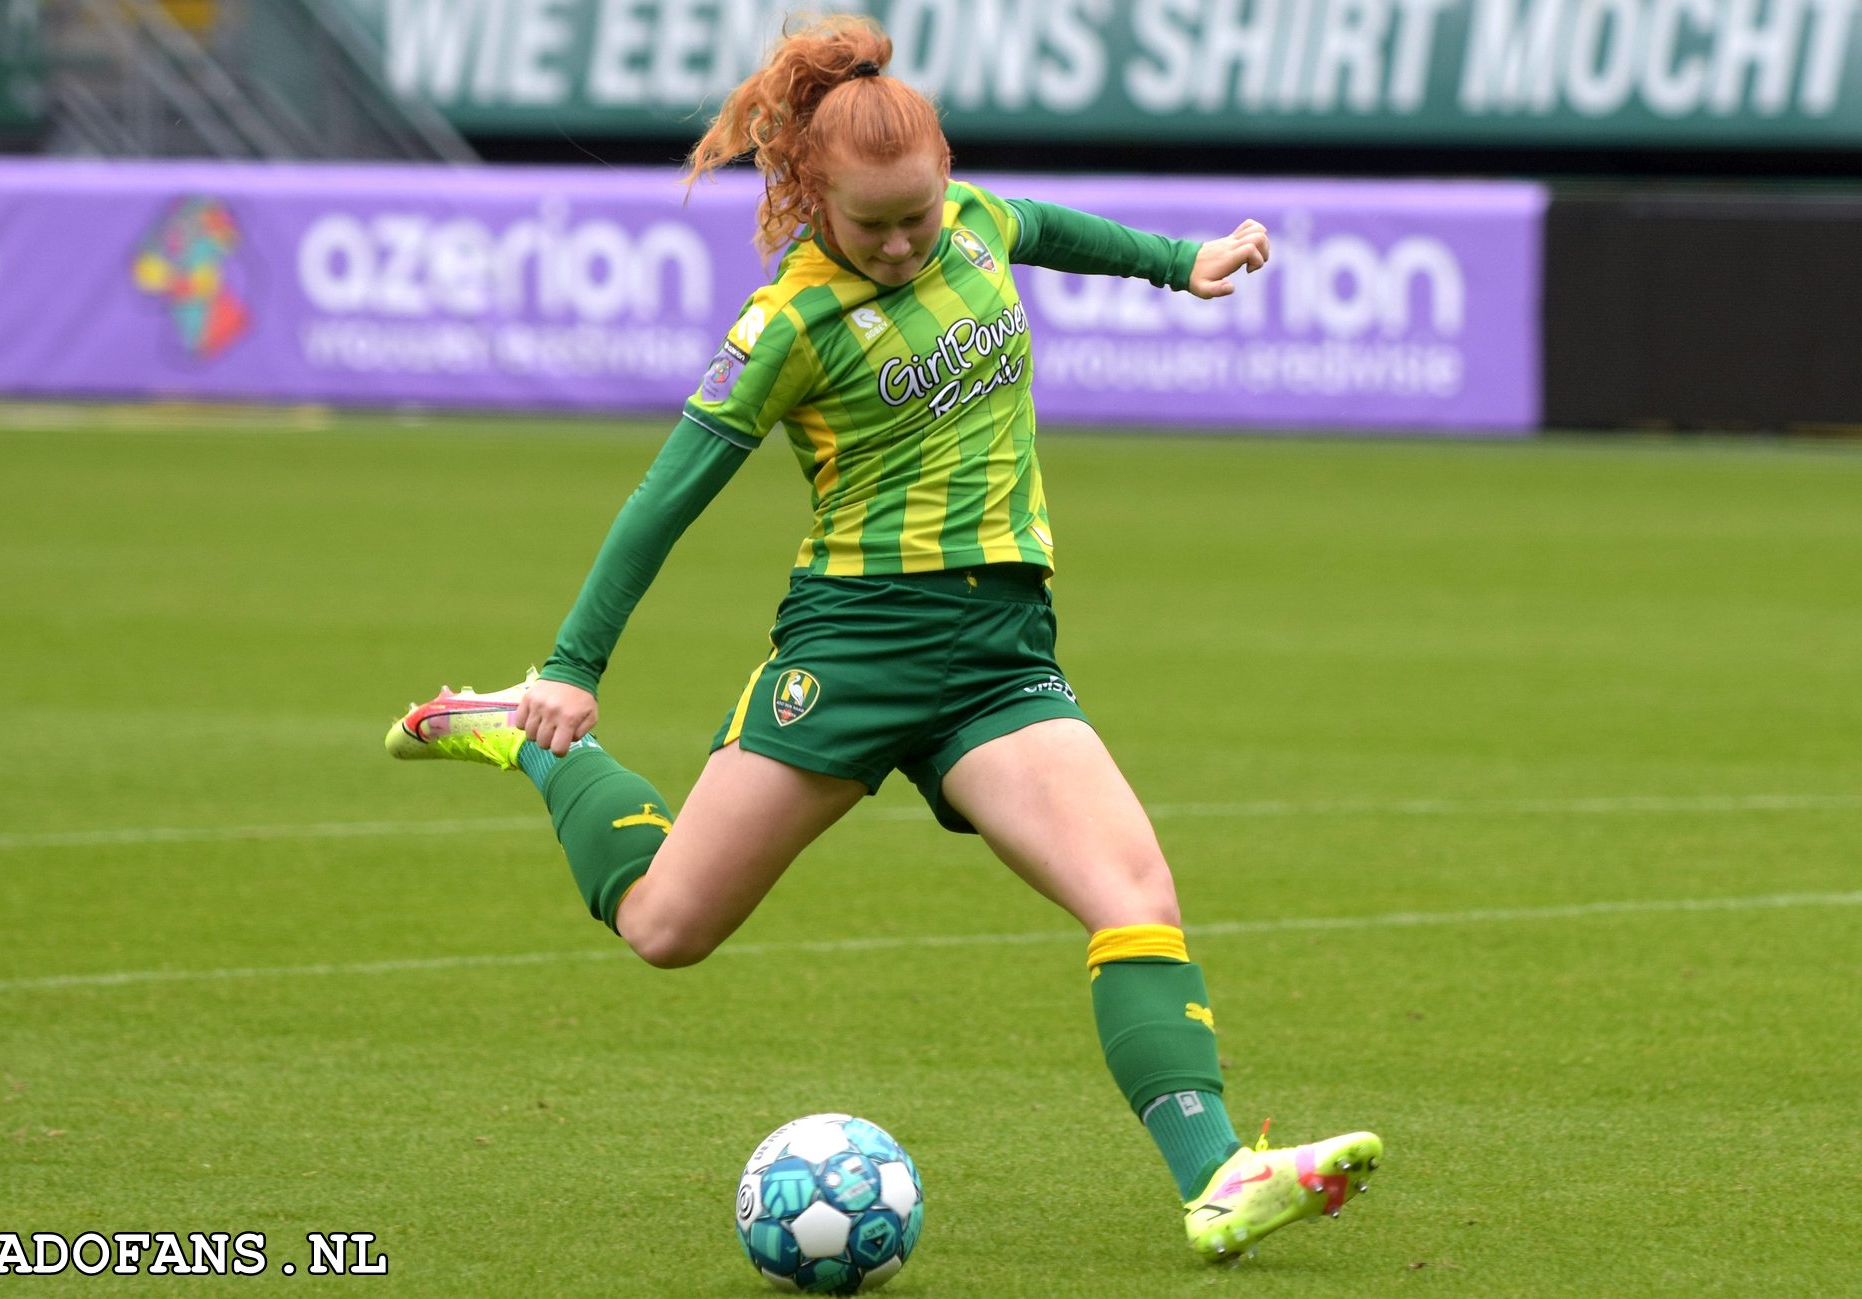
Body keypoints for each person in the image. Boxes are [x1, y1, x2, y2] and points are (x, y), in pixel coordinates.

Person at [385, 13, 1379, 1263]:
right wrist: (572, 673)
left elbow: (1052, 230)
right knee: (665, 928)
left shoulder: (972, 223)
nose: (907, 242)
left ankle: (1218, 1174)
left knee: (1132, 892)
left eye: (922, 213)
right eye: (875, 226)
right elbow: (663, 499)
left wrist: (1181, 262)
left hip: (1001, 658)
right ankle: (519, 742)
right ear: (812, 194)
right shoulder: (787, 324)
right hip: (851, 656)